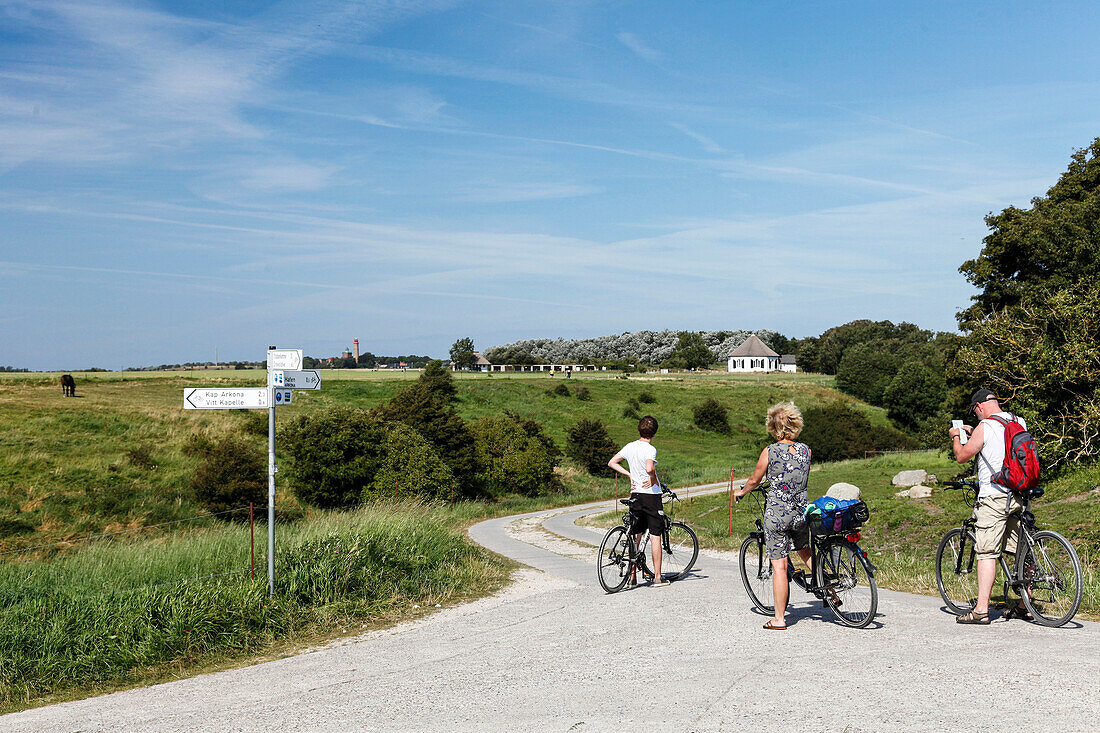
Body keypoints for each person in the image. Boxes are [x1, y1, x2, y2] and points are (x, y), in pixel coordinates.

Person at [948, 388, 1032, 624]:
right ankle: (1025, 605)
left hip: (994, 496)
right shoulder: (1017, 420)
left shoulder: (985, 427)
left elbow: (963, 455)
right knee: (1021, 551)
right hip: (1018, 493)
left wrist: (957, 435)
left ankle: (981, 610)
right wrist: (974, 432)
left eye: (975, 412)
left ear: (979, 407)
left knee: (986, 552)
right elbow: (1002, 445)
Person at [733, 402, 812, 629]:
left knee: (779, 565)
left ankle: (779, 619)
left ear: (773, 427)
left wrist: (742, 492)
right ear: (795, 424)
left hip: (778, 514)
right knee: (806, 553)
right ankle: (831, 592)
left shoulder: (770, 451)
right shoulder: (806, 450)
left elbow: (755, 480)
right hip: (801, 512)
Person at [607, 415, 669, 587]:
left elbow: (612, 462)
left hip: (635, 494)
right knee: (656, 535)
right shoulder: (650, 449)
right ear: (654, 434)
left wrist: (629, 474)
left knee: (636, 534)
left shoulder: (630, 446)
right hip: (651, 495)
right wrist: (654, 479)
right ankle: (657, 577)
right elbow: (650, 468)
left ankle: (632, 577)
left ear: (639, 430)